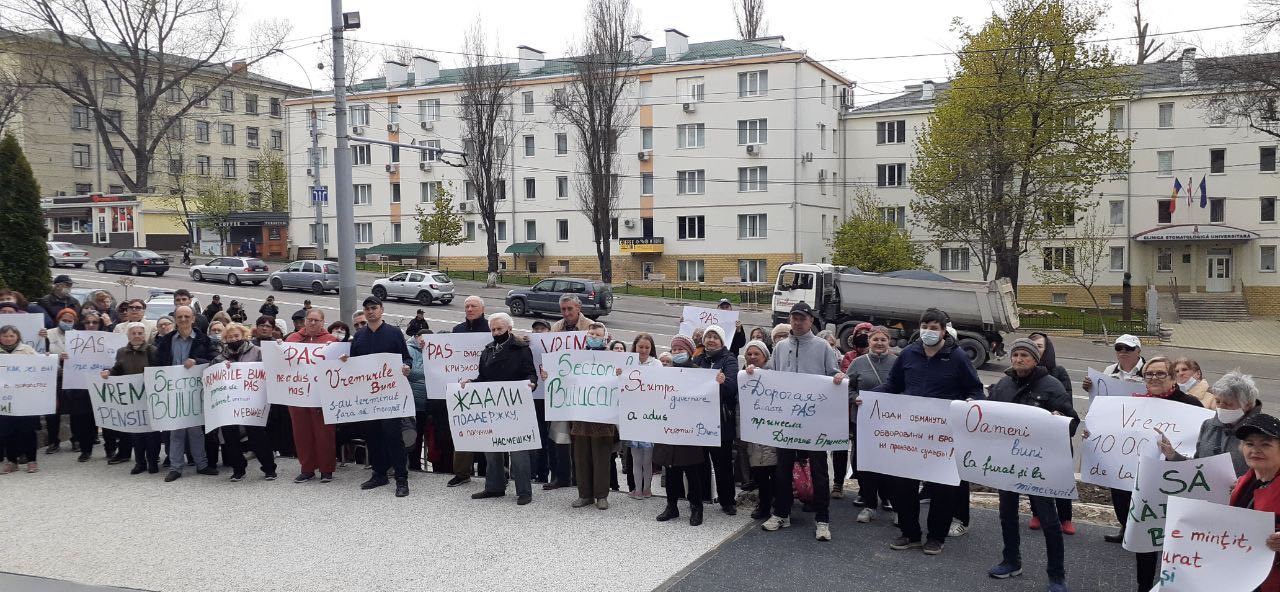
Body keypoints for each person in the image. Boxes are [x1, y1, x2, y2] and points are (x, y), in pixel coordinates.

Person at [875, 308, 984, 555]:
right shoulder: (908, 354)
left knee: (943, 490)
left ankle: (936, 537)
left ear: (944, 331)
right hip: (910, 434)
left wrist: (970, 404)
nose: (929, 331)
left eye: (934, 327)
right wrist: (869, 398)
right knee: (903, 486)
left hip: (942, 436)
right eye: (925, 326)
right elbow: (893, 385)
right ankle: (910, 533)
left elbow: (975, 390)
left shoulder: (957, 357)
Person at [746, 303, 846, 542]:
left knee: (819, 471)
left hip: (814, 420)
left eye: (802, 318)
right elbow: (770, 374)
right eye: (794, 318)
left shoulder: (822, 347)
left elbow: (833, 373)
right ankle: (782, 513)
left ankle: (822, 519)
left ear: (811, 321)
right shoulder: (781, 347)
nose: (797, 322)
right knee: (783, 469)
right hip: (787, 421)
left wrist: (839, 378)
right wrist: (753, 371)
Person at [985, 338, 1077, 592]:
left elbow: (1073, 423)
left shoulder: (1051, 385)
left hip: (1039, 465)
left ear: (1035, 359)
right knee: (1007, 515)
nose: (1018, 360)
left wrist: (1061, 420)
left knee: (1049, 520)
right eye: (1015, 355)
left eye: (1024, 355)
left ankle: (1056, 576)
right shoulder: (1003, 384)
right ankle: (1011, 560)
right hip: (1008, 463)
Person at [464, 313, 539, 505]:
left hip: (515, 408)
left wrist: (531, 383)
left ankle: (524, 491)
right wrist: (470, 383)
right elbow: (483, 378)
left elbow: (531, 373)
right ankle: (494, 487)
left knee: (518, 451)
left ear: (509, 329)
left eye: (500, 329)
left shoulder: (521, 349)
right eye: (493, 329)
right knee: (492, 449)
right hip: (493, 407)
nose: (496, 332)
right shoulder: (487, 350)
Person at [1081, 334, 1147, 544]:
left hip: (1142, 435)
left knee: (1142, 485)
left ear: (1138, 351)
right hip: (1117, 437)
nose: (1123, 352)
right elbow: (1101, 403)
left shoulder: (1149, 371)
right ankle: (1124, 525)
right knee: (1118, 485)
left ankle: (1142, 529)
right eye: (1119, 348)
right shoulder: (1109, 372)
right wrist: (1090, 388)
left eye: (1128, 348)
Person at [346, 296, 413, 497]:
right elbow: (353, 364)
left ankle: (401, 478)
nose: (370, 312)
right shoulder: (359, 337)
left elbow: (406, 357)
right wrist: (344, 362)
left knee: (393, 437)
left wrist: (406, 367)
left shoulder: (393, 333)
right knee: (372, 436)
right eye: (367, 309)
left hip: (390, 396)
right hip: (368, 397)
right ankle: (379, 473)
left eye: (374, 308)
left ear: (381, 310)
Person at [153, 305, 218, 482]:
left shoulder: (203, 339)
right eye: (179, 316)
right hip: (172, 390)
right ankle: (176, 467)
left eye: (186, 316)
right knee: (176, 431)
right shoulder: (166, 340)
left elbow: (214, 359)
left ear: (193, 318)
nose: (183, 320)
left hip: (194, 391)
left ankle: (201, 464)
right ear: (175, 318)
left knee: (196, 429)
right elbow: (157, 363)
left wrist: (197, 361)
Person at [1158, 370, 1262, 477]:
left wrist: (1242, 486)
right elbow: (1197, 465)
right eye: (1218, 401)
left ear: (1247, 405)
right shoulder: (1208, 426)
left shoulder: (1262, 433)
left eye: (1228, 404)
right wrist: (1174, 456)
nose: (1221, 407)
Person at [655, 335, 711, 525]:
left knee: (692, 470)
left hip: (689, 430)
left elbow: (708, 397)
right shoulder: (665, 373)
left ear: (689, 351)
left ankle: (696, 508)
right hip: (669, 428)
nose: (677, 353)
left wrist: (717, 381)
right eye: (674, 350)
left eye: (681, 349)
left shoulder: (698, 373)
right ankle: (672, 506)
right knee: (670, 470)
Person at [561, 322, 618, 510]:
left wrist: (620, 374)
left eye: (597, 335)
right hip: (580, 417)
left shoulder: (613, 358)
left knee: (601, 457)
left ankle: (601, 495)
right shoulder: (577, 358)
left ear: (605, 338)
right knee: (581, 457)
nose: (593, 337)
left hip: (603, 418)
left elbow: (621, 382)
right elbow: (565, 378)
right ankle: (584, 494)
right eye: (591, 334)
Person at [211, 323, 277, 482]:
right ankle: (238, 469)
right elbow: (213, 380)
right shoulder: (219, 358)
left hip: (252, 402)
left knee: (257, 435)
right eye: (229, 337)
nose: (233, 339)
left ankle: (269, 468)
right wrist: (221, 368)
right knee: (230, 436)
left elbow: (268, 370)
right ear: (225, 339)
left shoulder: (258, 352)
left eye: (236, 336)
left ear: (244, 336)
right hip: (229, 404)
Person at [847, 325, 896, 522]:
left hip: (889, 423)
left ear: (888, 342)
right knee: (865, 461)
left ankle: (887, 497)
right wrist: (854, 398)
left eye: (883, 340)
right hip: (863, 420)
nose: (879, 343)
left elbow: (905, 387)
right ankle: (869, 504)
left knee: (887, 460)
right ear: (869, 341)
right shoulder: (858, 363)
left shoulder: (897, 363)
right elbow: (847, 387)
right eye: (875, 339)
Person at [1227, 414, 1280, 592]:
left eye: (1265, 444)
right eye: (1249, 444)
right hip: (1240, 574)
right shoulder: (1246, 480)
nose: (1255, 450)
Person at [285, 309, 338, 483]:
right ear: (304, 321)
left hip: (321, 397)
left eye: (316, 320)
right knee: (301, 433)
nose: (312, 323)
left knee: (324, 434)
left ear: (323, 322)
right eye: (310, 320)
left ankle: (326, 469)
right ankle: (307, 468)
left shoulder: (331, 341)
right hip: (298, 396)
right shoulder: (292, 339)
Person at [446, 295, 491, 488]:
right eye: (467, 306)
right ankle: (462, 473)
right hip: (463, 390)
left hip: (487, 388)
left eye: (473, 306)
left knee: (489, 433)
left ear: (482, 308)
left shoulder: (492, 328)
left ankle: (490, 471)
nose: (469, 309)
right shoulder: (457, 330)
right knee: (464, 430)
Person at [696, 324, 739, 516]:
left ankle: (727, 501)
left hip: (721, 420)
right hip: (699, 420)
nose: (711, 340)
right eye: (708, 336)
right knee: (700, 461)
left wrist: (724, 382)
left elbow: (732, 387)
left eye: (715, 337)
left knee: (722, 464)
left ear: (722, 341)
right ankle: (704, 496)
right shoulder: (697, 359)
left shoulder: (729, 360)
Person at [100, 324, 155, 473]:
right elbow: (118, 369)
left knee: (151, 433)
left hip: (149, 397)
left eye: (140, 333)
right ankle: (140, 463)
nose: (137, 336)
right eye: (134, 333)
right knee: (136, 433)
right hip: (132, 399)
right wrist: (108, 373)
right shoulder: (121, 352)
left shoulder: (152, 350)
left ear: (144, 335)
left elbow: (158, 370)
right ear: (128, 336)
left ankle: (153, 462)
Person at [45, 309, 95, 460]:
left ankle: (76, 439)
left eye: (70, 321)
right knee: (53, 410)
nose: (66, 323)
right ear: (58, 319)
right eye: (64, 320)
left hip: (74, 377)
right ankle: (53, 441)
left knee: (75, 410)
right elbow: (41, 353)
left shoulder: (78, 335)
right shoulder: (47, 334)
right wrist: (58, 357)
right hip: (55, 376)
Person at [834, 321, 874, 498]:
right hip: (844, 411)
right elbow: (847, 378)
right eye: (861, 333)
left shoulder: (877, 357)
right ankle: (838, 483)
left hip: (865, 413)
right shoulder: (849, 357)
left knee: (862, 450)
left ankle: (864, 486)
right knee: (840, 448)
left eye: (868, 333)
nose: (864, 336)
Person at [741, 340, 778, 519]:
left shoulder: (775, 375)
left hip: (773, 431)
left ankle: (778, 505)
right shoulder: (743, 376)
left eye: (757, 354)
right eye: (749, 354)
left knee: (775, 472)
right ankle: (763, 505)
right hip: (753, 433)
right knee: (760, 473)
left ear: (765, 357)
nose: (753, 357)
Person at [625, 333, 663, 500]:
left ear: (651, 348)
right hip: (632, 415)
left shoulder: (657, 364)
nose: (644, 350)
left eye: (647, 347)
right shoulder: (627, 362)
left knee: (648, 459)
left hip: (649, 415)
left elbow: (661, 386)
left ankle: (647, 489)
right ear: (635, 347)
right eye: (641, 347)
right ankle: (638, 489)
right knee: (635, 458)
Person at [0, 324, 39, 473]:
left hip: (25, 398)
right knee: (7, 431)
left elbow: (41, 367)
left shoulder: (27, 350)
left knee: (28, 430)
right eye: (4, 336)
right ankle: (12, 461)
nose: (8, 339)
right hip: (4, 400)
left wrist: (49, 359)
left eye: (11, 336)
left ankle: (31, 460)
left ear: (17, 336)